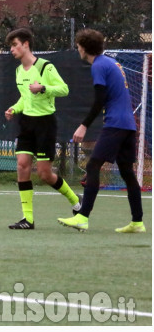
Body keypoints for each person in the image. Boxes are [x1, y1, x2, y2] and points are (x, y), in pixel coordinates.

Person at [58, 29, 145, 232]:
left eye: (78, 45)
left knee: (93, 166)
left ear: (84, 47)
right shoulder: (111, 63)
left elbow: (100, 99)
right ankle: (137, 222)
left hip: (116, 123)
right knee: (127, 172)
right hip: (128, 124)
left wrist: (84, 125)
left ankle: (83, 217)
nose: (77, 48)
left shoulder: (98, 65)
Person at [4, 28, 81, 230]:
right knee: (22, 165)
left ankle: (75, 201)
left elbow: (64, 89)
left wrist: (44, 88)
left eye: (15, 45)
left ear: (26, 44)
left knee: (45, 174)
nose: (12, 49)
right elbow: (24, 97)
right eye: (10, 46)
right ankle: (27, 219)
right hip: (26, 123)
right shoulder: (19, 71)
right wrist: (14, 108)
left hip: (45, 123)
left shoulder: (45, 67)